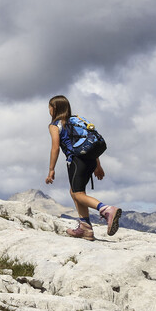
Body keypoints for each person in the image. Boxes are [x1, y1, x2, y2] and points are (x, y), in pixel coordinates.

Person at [46, 94, 121, 240]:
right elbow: (88, 142)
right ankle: (85, 229)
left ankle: (106, 210)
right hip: (90, 159)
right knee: (75, 192)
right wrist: (98, 165)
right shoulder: (77, 119)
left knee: (78, 194)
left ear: (54, 108)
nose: (48, 110)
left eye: (49, 107)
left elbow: (55, 147)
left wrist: (51, 169)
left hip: (76, 160)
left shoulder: (55, 125)